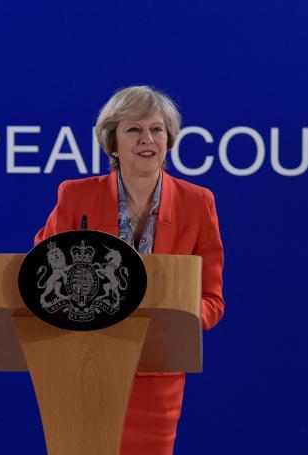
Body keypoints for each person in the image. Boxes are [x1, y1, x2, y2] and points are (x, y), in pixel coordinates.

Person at [34, 85, 225, 455]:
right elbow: (41, 274)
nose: (147, 139)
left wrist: (179, 318)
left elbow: (212, 300)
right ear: (112, 141)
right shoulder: (75, 196)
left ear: (169, 139)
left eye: (157, 129)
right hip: (84, 368)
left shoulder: (198, 203)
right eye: (133, 129)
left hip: (158, 376)